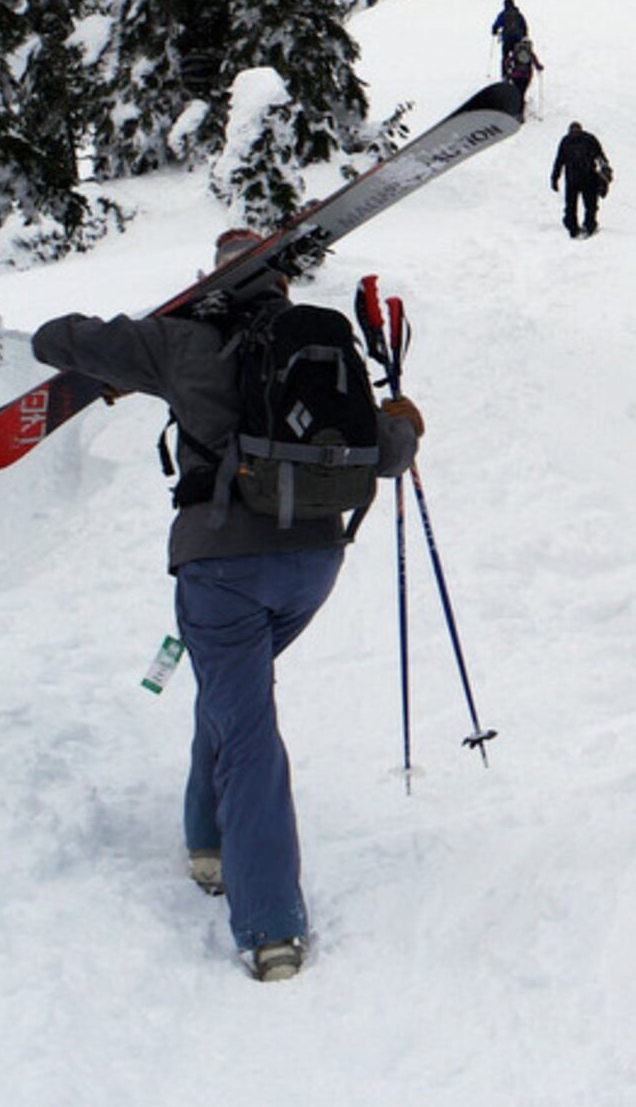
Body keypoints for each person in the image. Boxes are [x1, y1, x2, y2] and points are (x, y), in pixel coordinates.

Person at [30, 231, 423, 982]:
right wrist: (404, 420)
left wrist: (116, 365)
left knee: (246, 729)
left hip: (222, 567)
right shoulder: (317, 346)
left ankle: (271, 926)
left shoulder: (177, 343)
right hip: (313, 564)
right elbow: (390, 454)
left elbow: (55, 340)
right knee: (232, 696)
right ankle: (207, 841)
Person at [551, 121, 613, 238]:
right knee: (590, 205)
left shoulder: (566, 141)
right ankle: (590, 226)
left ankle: (572, 228)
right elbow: (600, 157)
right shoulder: (590, 139)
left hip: (572, 178)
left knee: (571, 205)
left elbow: (559, 161)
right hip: (589, 177)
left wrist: (555, 178)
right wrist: (605, 174)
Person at [491, 0, 539, 94]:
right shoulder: (518, 14)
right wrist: (524, 35)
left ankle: (505, 75)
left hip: (507, 39)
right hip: (517, 39)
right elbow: (524, 26)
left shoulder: (503, 14)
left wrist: (495, 31)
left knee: (505, 57)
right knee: (517, 57)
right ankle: (517, 73)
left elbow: (496, 25)